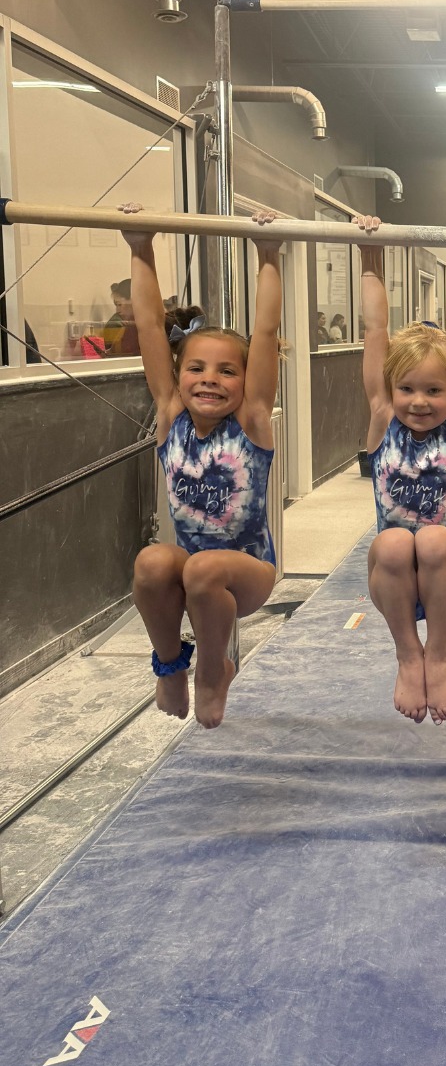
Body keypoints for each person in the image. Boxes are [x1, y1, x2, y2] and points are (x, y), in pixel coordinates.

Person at [119, 202, 283, 729]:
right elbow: (149, 326)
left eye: (227, 371)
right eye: (196, 368)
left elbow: (266, 334)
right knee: (151, 563)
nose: (210, 378)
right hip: (193, 573)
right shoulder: (172, 417)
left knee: (204, 567)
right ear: (179, 374)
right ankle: (170, 666)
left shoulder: (250, 422)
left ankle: (214, 669)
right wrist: (140, 245)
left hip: (248, 572)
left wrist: (268, 252)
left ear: (246, 381)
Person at [356, 214, 446, 725]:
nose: (418, 401)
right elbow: (375, 331)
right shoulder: (382, 420)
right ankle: (408, 655)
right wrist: (369, 252)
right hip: (390, 579)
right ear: (390, 391)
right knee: (394, 542)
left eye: (434, 390)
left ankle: (440, 651)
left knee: (432, 539)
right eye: (407, 389)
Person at [102, 279, 140, 356]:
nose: (117, 310)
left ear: (133, 301)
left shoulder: (137, 325)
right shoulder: (129, 324)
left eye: (119, 304)